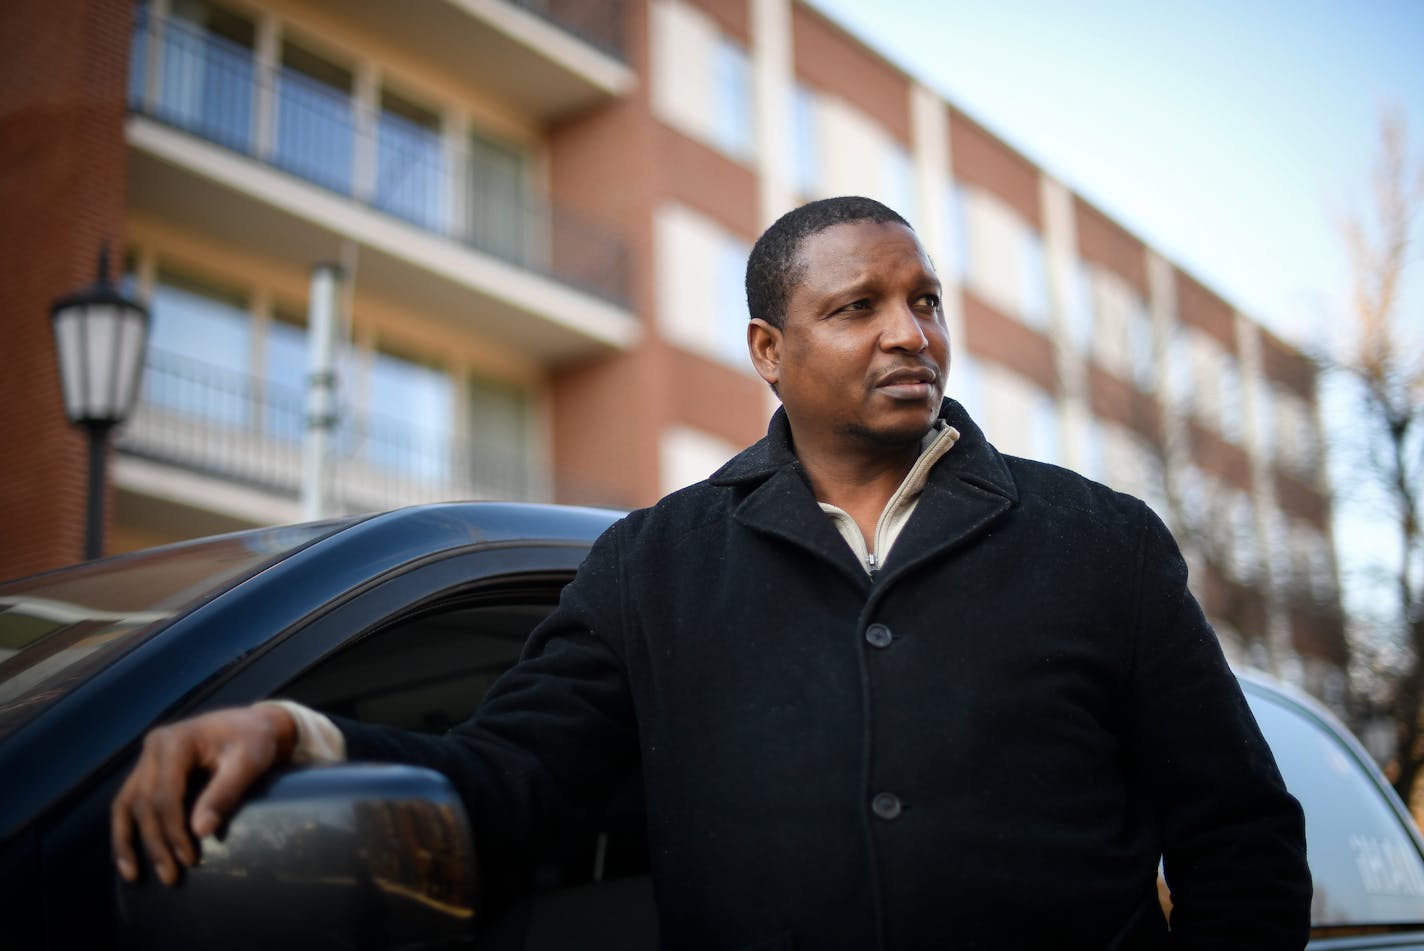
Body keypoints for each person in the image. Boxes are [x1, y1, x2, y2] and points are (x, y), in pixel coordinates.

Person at [112, 196, 1311, 949]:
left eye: (924, 300)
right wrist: (299, 735)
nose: (911, 333)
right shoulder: (653, 564)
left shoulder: (1096, 540)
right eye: (858, 307)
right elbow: (507, 779)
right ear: (768, 352)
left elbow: (1239, 837)